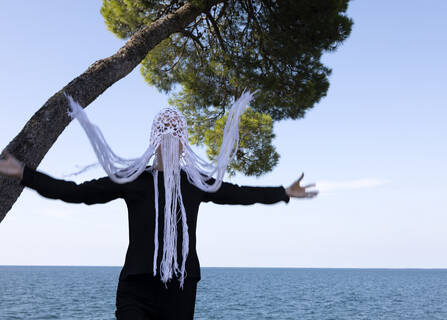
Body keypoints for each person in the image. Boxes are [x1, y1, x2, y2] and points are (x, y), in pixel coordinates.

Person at [0, 93, 318, 319]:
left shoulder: (196, 183)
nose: (169, 141)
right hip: (136, 285)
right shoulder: (134, 180)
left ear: (183, 144)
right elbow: (76, 192)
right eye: (163, 134)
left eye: (175, 135)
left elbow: (239, 194)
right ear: (154, 141)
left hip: (180, 287)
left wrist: (283, 192)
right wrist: (25, 174)